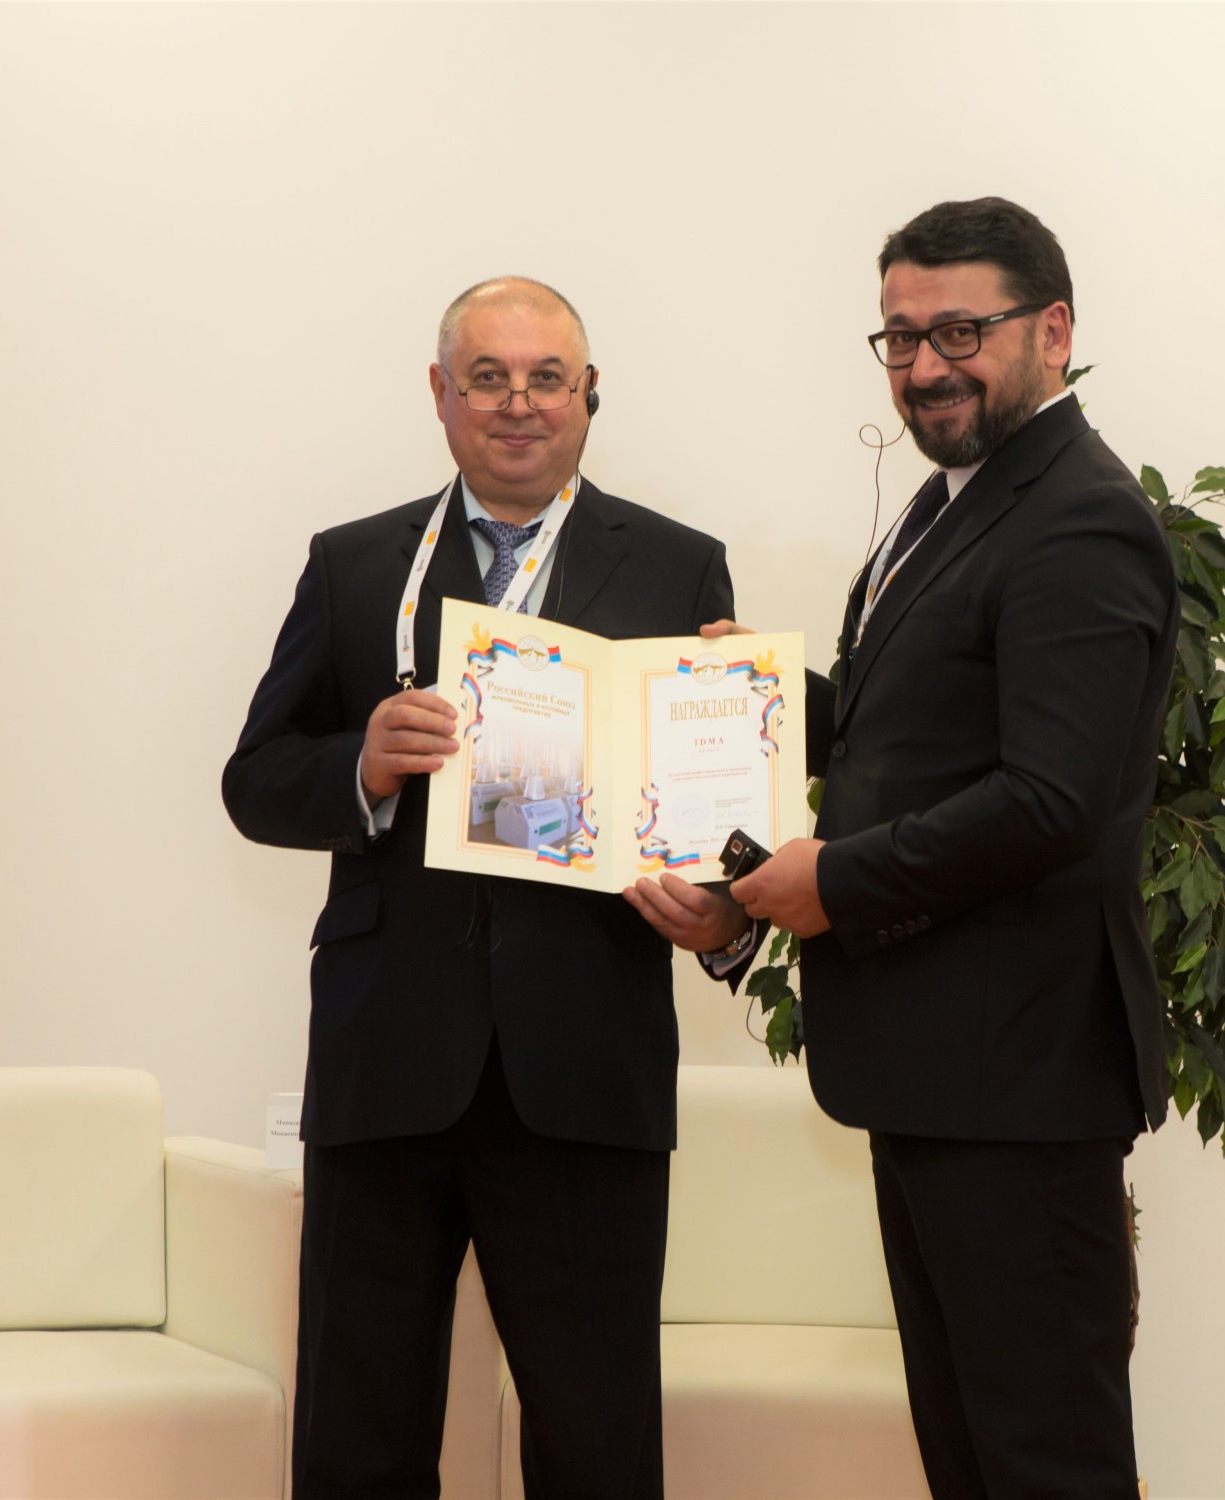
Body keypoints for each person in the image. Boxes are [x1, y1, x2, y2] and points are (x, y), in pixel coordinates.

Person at [223, 277, 752, 1499]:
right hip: (386, 1059)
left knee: (596, 1439)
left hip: (587, 1064)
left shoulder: (680, 567)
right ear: (441, 394)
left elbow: (715, 795)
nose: (519, 404)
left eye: (546, 378)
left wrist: (725, 913)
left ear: (589, 394)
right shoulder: (357, 564)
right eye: (489, 378)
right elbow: (254, 780)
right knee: (358, 1436)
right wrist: (359, 765)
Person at [691, 198, 1182, 1498]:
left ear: (1053, 330)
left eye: (960, 331)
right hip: (945, 1073)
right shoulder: (957, 502)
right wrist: (749, 700)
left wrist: (834, 884)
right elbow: (908, 735)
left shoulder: (1077, 518)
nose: (924, 365)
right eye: (900, 337)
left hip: (1018, 1082)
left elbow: (1050, 800)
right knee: (971, 1458)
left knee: (1044, 1464)